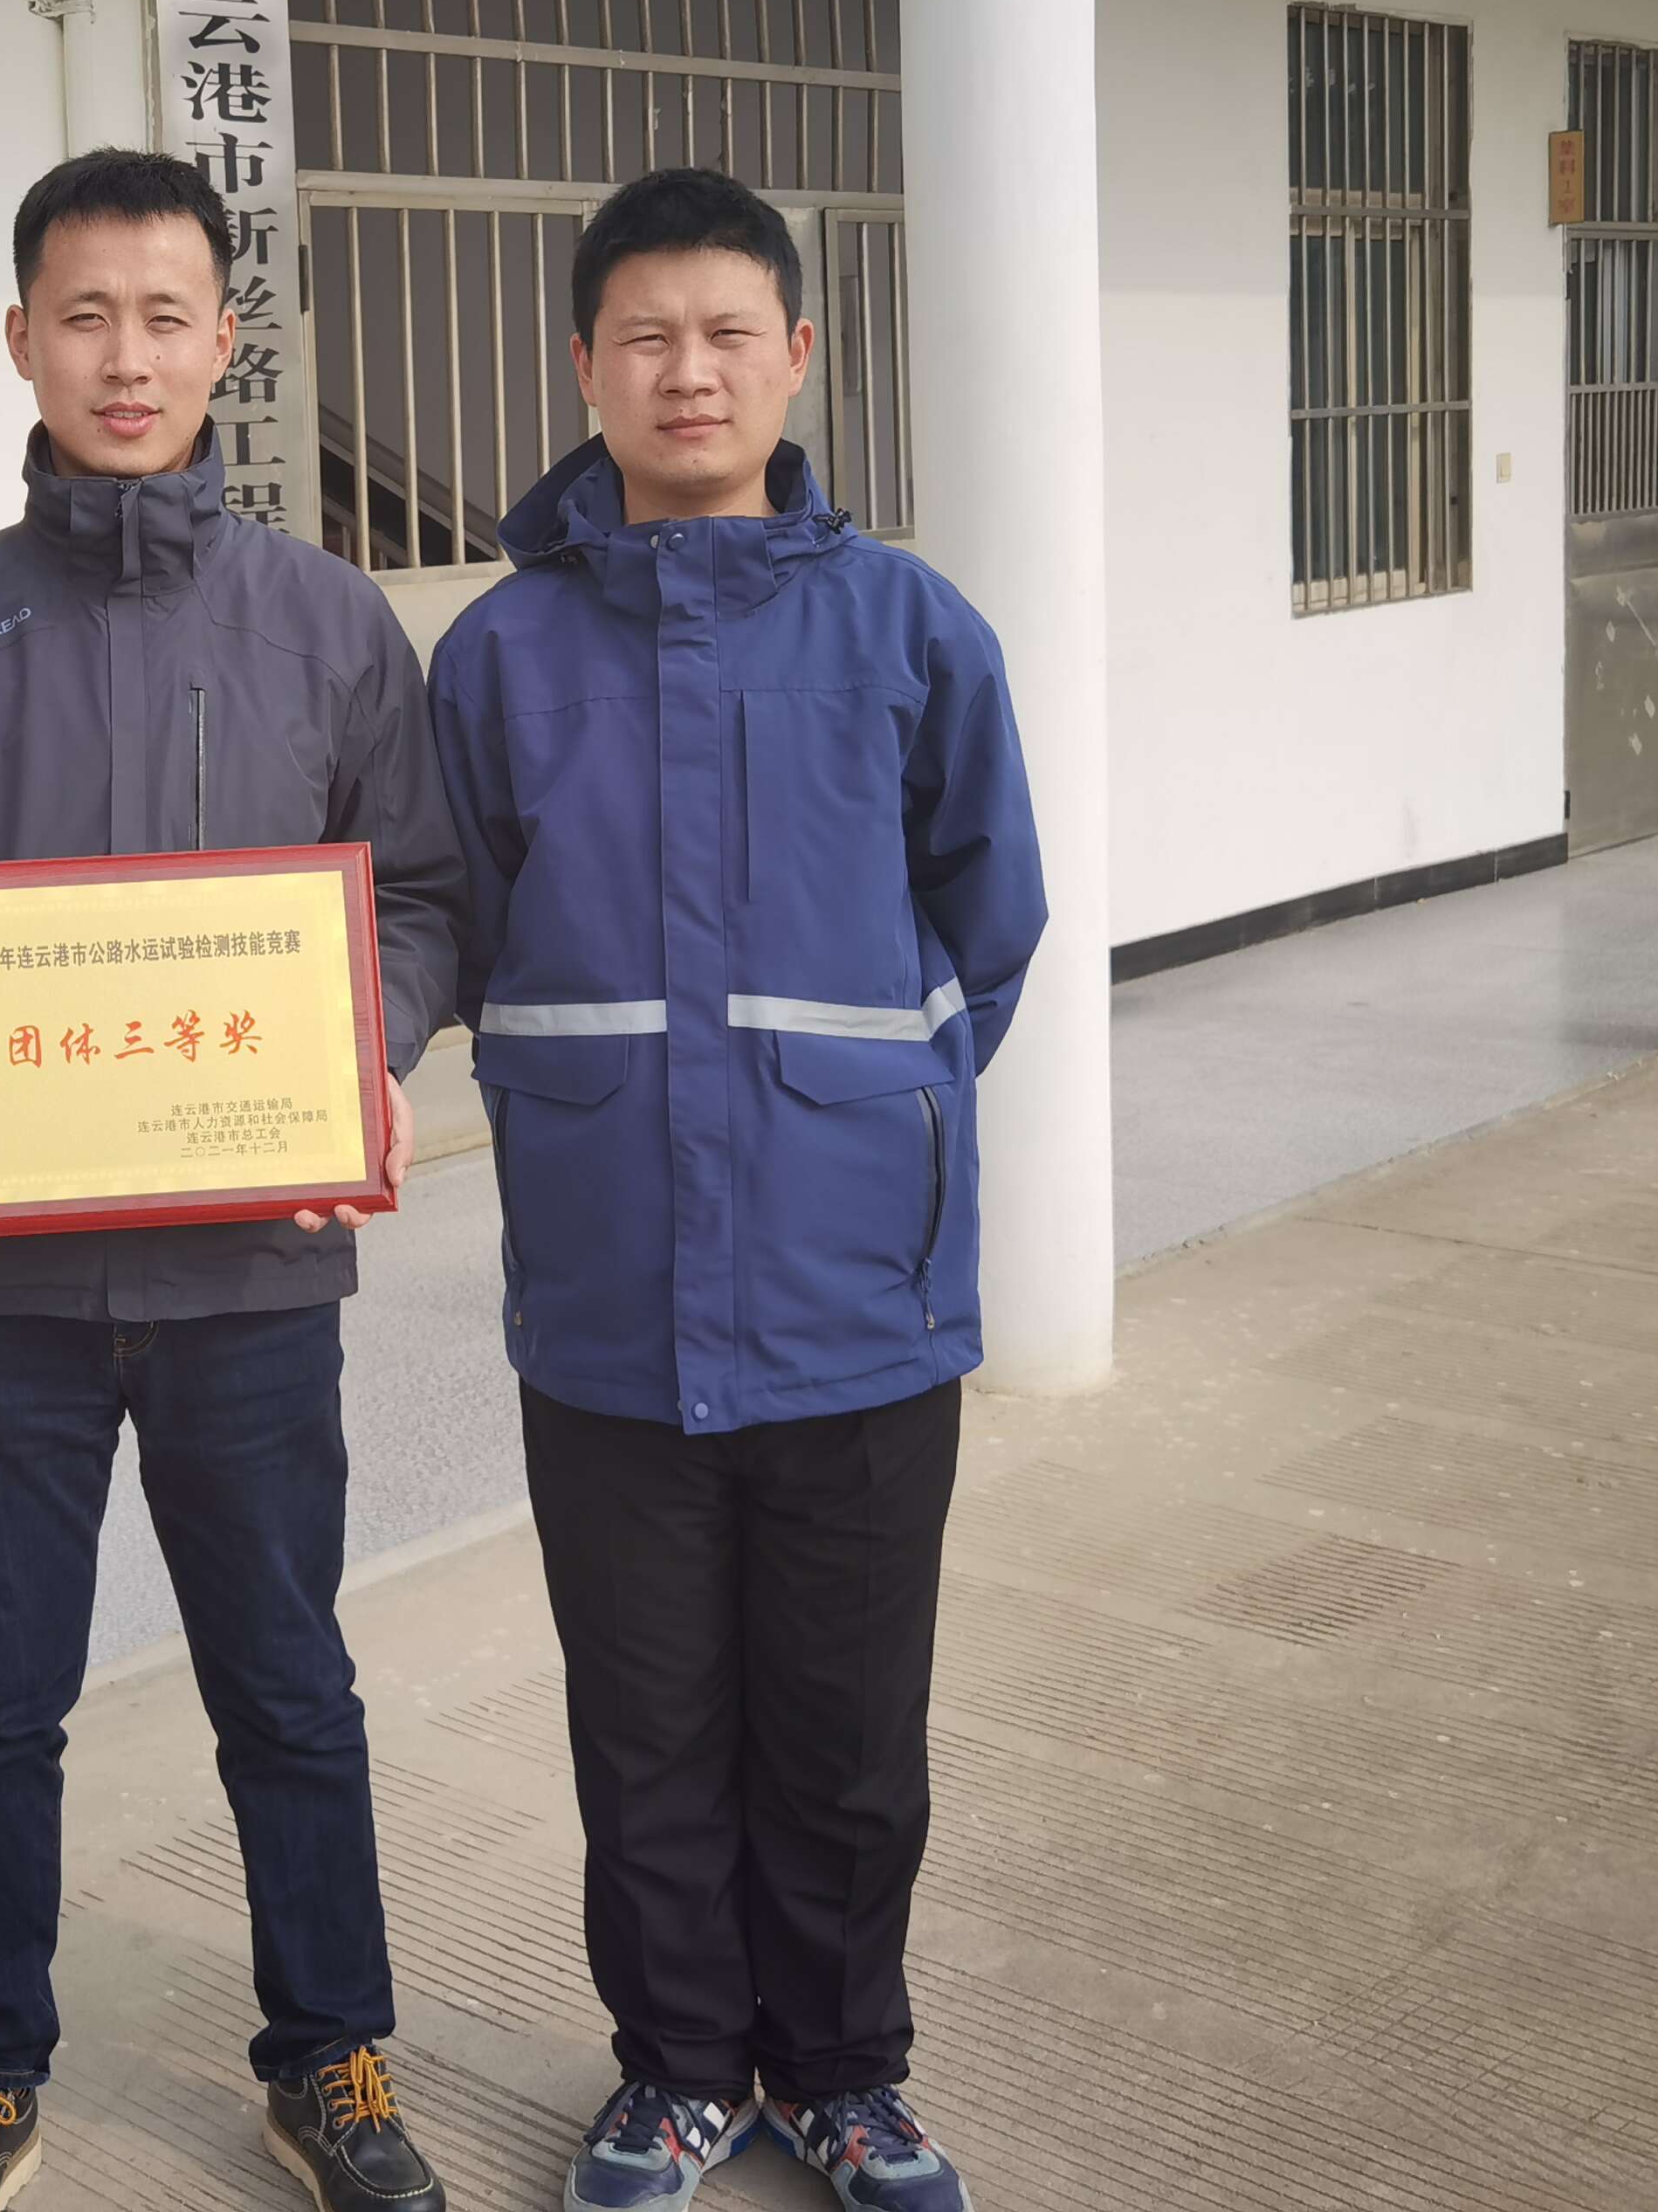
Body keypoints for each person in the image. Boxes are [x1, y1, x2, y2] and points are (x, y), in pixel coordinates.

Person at [0, 149, 471, 2212]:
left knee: (286, 1681)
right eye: (82, 314)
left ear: (220, 341)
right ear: (20, 339)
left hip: (248, 1271)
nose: (123, 355)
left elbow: (418, 893)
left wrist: (367, 1048)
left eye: (163, 315)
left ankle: (327, 2056)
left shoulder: (323, 623)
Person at [427, 169, 1044, 2212]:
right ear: (582, 367)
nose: (683, 372)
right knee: (645, 1729)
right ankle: (680, 2069)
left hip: (855, 1296)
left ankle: (845, 2074)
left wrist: (872, 1127)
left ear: (795, 355)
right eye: (641, 337)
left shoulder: (908, 631)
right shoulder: (498, 655)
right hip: (608, 1296)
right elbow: (460, 929)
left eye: (723, 334)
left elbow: (987, 927)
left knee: (846, 1735)